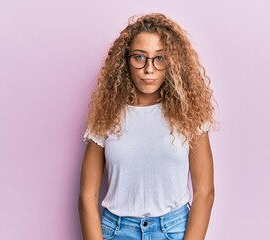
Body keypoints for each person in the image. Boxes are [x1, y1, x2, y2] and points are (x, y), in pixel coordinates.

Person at [78, 13, 215, 240]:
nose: (149, 69)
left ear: (172, 62)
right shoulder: (106, 115)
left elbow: (205, 192)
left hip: (175, 230)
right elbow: (87, 195)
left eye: (159, 58)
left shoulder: (190, 115)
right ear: (125, 60)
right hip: (117, 231)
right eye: (140, 57)